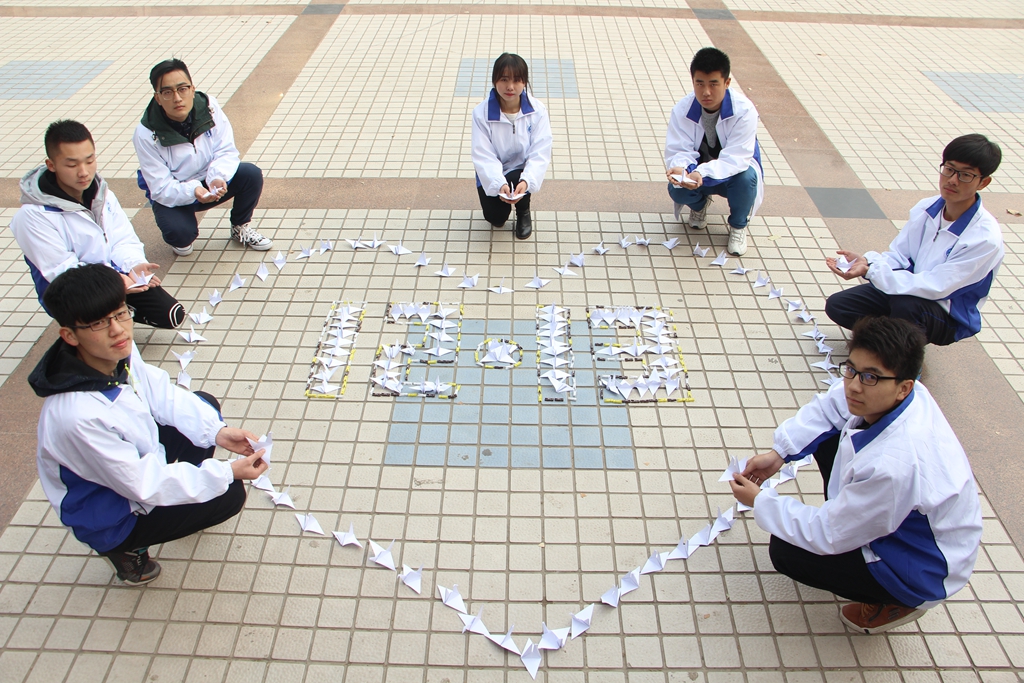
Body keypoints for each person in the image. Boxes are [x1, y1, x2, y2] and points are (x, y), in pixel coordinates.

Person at [730, 317, 982, 634]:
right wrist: (779, 453)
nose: (854, 385)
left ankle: (897, 601)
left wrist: (761, 502)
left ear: (904, 386)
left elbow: (827, 534)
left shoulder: (896, 465)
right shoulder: (898, 394)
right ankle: (854, 515)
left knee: (787, 552)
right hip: (901, 513)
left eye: (870, 377)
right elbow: (828, 407)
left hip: (924, 566)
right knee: (826, 435)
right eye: (851, 369)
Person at [28, 264, 269, 585]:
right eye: (99, 322)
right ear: (69, 335)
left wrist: (218, 432)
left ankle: (186, 491)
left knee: (204, 407)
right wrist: (227, 472)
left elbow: (159, 391)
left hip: (131, 464)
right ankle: (125, 551)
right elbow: (142, 483)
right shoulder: (76, 416)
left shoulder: (111, 351)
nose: (117, 330)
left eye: (120, 313)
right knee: (228, 494)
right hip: (109, 512)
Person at [824, 134, 1003, 346]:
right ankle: (893, 341)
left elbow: (937, 287)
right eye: (949, 169)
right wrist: (868, 262)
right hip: (910, 290)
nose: (952, 180)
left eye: (965, 175)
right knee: (839, 305)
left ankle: (905, 357)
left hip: (947, 313)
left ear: (983, 183)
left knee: (906, 306)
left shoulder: (984, 238)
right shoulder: (926, 208)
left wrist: (872, 271)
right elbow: (899, 255)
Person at [10, 119, 184, 330]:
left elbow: (122, 238)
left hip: (112, 273)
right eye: (72, 165)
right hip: (73, 291)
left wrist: (132, 265)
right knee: (104, 341)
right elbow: (63, 272)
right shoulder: (32, 216)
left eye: (89, 160)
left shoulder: (102, 194)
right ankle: (99, 321)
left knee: (170, 314)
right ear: (51, 165)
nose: (83, 172)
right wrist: (114, 282)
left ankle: (114, 313)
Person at [133, 58, 271, 255]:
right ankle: (181, 230)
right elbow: (160, 187)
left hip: (210, 180)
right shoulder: (145, 134)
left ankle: (240, 226)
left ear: (192, 88)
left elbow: (226, 150)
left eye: (182, 89)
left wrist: (217, 177)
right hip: (176, 189)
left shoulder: (209, 107)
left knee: (250, 174)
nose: (177, 98)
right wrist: (194, 190)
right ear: (157, 97)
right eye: (167, 92)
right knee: (181, 239)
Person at [665, 47, 764, 257]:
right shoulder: (682, 109)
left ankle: (738, 226)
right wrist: (681, 168)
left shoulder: (744, 111)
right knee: (677, 188)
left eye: (713, 84)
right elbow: (679, 149)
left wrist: (702, 173)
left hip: (733, 176)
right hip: (698, 173)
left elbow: (737, 159)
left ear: (727, 83)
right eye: (699, 83)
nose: (706, 92)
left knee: (747, 179)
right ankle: (699, 206)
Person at [471, 53, 552, 240]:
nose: (510, 87)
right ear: (494, 81)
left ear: (524, 82)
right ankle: (505, 200)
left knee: (519, 177)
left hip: (520, 170)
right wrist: (498, 183)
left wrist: (526, 182)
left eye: (517, 80)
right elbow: (483, 154)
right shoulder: (481, 113)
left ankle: (523, 211)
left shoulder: (538, 111)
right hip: (493, 171)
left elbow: (540, 152)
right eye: (504, 79)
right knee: (495, 218)